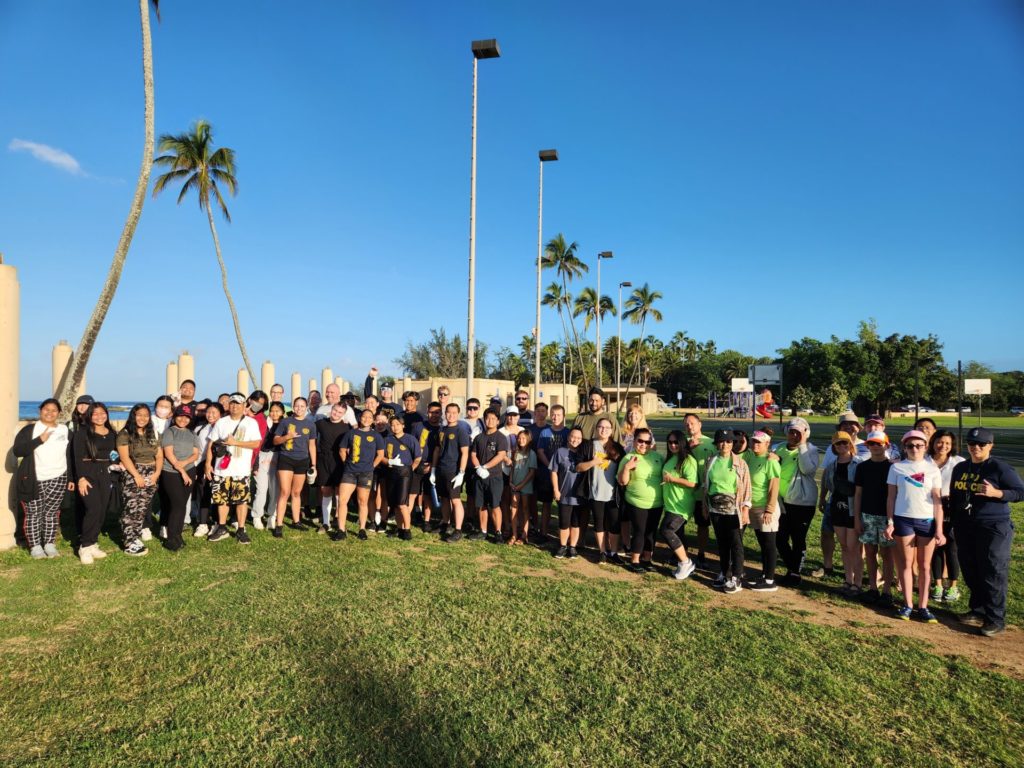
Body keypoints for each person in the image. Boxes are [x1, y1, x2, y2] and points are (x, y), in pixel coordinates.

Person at [949, 426, 1024, 637]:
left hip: (993, 525)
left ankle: (995, 618)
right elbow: (954, 495)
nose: (976, 447)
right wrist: (953, 521)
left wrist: (997, 493)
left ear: (991, 445)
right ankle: (978, 610)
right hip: (965, 525)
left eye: (981, 444)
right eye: (972, 443)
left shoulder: (999, 468)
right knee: (970, 568)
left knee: (992, 570)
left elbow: (1020, 492)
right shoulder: (961, 467)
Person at [887, 430, 945, 623]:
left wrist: (939, 529)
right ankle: (907, 605)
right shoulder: (896, 468)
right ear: (904, 447)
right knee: (905, 564)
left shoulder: (933, 469)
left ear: (925, 447)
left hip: (926, 521)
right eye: (910, 445)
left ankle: (923, 606)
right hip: (903, 520)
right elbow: (891, 497)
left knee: (925, 566)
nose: (914, 449)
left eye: (919, 445)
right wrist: (890, 522)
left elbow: (937, 501)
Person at [14, 398, 69, 559]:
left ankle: (49, 544)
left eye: (54, 410)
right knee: (34, 513)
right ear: (40, 410)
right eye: (46, 409)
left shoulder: (64, 429)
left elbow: (70, 452)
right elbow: (18, 451)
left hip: (59, 476)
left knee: (51, 512)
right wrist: (39, 440)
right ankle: (35, 547)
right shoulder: (30, 429)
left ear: (59, 413)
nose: (50, 413)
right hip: (34, 478)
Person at [203, 393, 262, 544]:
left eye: (238, 403)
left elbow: (256, 443)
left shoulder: (251, 423)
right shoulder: (221, 422)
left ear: (244, 406)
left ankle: (241, 529)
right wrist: (208, 464)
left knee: (241, 501)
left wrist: (236, 443)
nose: (235, 406)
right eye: (232, 403)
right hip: (221, 469)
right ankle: (222, 527)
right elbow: (211, 443)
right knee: (221, 500)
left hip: (241, 469)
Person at [854, 431, 899, 608]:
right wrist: (857, 518)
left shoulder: (893, 468)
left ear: (887, 445)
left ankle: (887, 591)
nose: (875, 447)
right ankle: (873, 588)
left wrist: (892, 520)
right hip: (867, 515)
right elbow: (858, 494)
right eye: (871, 444)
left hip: (886, 517)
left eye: (879, 444)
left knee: (887, 554)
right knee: (870, 553)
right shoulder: (862, 467)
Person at [704, 429, 752, 593]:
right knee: (722, 543)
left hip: (734, 509)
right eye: (721, 441)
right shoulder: (711, 461)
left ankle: (736, 577)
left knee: (735, 543)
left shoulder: (740, 463)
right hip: (715, 508)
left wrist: (745, 509)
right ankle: (725, 573)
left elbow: (747, 487)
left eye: (728, 441)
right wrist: (705, 506)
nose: (724, 444)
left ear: (733, 444)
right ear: (716, 443)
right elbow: (706, 484)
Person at [818, 431, 864, 597]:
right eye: (838, 443)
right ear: (834, 447)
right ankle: (848, 580)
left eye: (845, 442)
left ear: (850, 444)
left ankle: (858, 583)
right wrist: (822, 499)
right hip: (837, 508)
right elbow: (826, 484)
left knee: (854, 547)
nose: (842, 446)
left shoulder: (858, 464)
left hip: (853, 509)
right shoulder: (832, 466)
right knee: (844, 546)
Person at [774, 417, 819, 585]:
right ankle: (792, 568)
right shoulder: (778, 448)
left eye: (798, 432)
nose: (794, 435)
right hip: (782, 501)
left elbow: (807, 469)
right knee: (780, 538)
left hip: (802, 503)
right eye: (791, 432)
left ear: (805, 434)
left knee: (798, 538)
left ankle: (794, 573)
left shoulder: (810, 450)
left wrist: (802, 445)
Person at [72, 402, 117, 564]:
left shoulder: (112, 433)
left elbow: (114, 454)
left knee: (102, 510)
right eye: (95, 414)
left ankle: (92, 542)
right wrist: (81, 478)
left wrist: (118, 464)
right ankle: (84, 546)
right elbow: (77, 457)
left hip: (106, 473)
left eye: (102, 413)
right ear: (89, 416)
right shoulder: (82, 433)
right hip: (88, 473)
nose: (99, 416)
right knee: (93, 508)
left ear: (107, 414)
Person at [116, 403, 164, 556]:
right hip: (133, 471)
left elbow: (159, 456)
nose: (142, 418)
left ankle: (135, 537)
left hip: (151, 472)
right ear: (133, 416)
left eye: (146, 415)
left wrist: (156, 474)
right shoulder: (125, 434)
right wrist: (137, 476)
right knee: (131, 507)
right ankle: (128, 542)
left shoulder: (154, 434)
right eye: (139, 415)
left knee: (142, 508)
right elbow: (124, 457)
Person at [333, 407, 386, 541]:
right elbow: (342, 450)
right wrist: (347, 463)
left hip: (366, 473)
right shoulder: (351, 433)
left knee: (363, 501)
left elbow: (380, 455)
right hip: (349, 472)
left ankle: (362, 529)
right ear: (359, 418)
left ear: (373, 420)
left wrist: (372, 466)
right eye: (364, 417)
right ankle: (341, 530)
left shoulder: (376, 436)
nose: (366, 419)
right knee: (342, 500)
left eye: (369, 417)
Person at [575, 418, 624, 564]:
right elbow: (578, 467)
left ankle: (613, 552)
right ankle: (602, 552)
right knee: (599, 523)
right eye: (601, 427)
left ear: (612, 430)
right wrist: (593, 462)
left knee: (614, 524)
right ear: (596, 429)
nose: (604, 430)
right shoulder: (588, 445)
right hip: (595, 493)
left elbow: (623, 467)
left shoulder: (617, 447)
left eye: (607, 427)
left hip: (613, 494)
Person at [617, 426, 664, 573]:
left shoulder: (658, 457)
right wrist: (627, 468)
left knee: (651, 532)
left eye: (647, 442)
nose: (644, 444)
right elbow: (622, 481)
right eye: (640, 441)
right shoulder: (628, 458)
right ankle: (635, 560)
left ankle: (647, 559)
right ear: (634, 441)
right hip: (636, 502)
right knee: (640, 531)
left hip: (656, 503)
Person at [272, 397, 318, 535]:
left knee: (297, 492)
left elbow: (312, 446)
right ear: (293, 407)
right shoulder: (285, 422)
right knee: (284, 492)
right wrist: (287, 437)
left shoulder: (310, 424)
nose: (299, 408)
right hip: (286, 459)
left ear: (306, 407)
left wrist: (313, 464)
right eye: (297, 406)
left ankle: (296, 521)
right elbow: (275, 441)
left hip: (302, 461)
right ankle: (279, 525)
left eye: (302, 406)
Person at [928, 430, 964, 603]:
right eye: (939, 442)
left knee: (951, 548)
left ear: (952, 445)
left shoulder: (959, 462)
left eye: (947, 443)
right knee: (935, 548)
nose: (943, 446)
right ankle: (938, 584)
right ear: (933, 443)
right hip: (929, 509)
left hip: (952, 510)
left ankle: (953, 586)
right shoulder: (925, 461)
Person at [159, 405, 201, 551]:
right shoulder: (169, 432)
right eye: (180, 416)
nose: (183, 419)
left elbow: (195, 454)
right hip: (171, 471)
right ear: (175, 416)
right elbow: (168, 453)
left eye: (187, 417)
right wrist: (181, 470)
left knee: (182, 504)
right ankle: (171, 538)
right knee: (177, 504)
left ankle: (178, 535)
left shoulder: (192, 434)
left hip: (189, 470)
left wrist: (185, 464)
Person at [743, 430, 781, 591]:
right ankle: (764, 575)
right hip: (753, 507)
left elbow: (774, 487)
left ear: (767, 444)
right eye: (753, 441)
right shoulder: (751, 457)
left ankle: (770, 580)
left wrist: (769, 510)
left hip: (765, 508)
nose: (755, 444)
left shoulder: (770, 461)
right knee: (762, 543)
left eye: (759, 442)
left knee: (769, 544)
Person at [657, 429, 697, 580]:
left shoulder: (688, 460)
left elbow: (692, 483)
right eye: (670, 442)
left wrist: (673, 479)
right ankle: (681, 562)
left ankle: (686, 562)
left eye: (676, 442)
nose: (673, 445)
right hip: (670, 503)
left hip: (681, 505)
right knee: (677, 533)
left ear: (682, 443)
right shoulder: (671, 458)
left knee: (666, 530)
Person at [682, 413, 716, 570]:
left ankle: (701, 554)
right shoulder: (682, 442)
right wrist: (687, 448)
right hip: (684, 492)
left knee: (702, 524)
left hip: (702, 493)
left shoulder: (711, 443)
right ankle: (680, 551)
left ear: (700, 424)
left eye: (692, 423)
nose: (689, 426)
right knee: (679, 523)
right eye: (686, 424)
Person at [432, 402, 470, 542]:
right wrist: (433, 469)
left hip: (453, 470)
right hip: (441, 469)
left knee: (455, 500)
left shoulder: (461, 431)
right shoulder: (442, 430)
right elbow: (437, 450)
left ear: (458, 414)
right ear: (445, 413)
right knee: (444, 498)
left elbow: (465, 453)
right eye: (448, 412)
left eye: (454, 412)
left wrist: (461, 473)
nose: (451, 415)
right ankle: (445, 523)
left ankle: (458, 530)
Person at [470, 409, 507, 542]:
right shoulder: (479, 437)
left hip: (494, 477)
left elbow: (501, 455)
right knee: (481, 505)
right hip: (480, 476)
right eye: (487, 418)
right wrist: (478, 468)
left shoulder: (500, 437)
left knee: (495, 505)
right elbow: (473, 454)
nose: (490, 421)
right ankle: (483, 531)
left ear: (497, 421)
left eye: (493, 418)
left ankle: (498, 532)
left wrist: (485, 467)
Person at [550, 426, 586, 559]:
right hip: (564, 494)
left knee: (575, 523)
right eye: (573, 436)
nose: (575, 440)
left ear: (582, 439)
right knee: (564, 522)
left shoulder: (584, 454)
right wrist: (556, 489)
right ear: (568, 437)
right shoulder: (560, 452)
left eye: (578, 438)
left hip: (579, 495)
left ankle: (573, 547)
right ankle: (563, 546)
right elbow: (554, 472)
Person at [534, 404, 569, 539]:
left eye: (558, 415)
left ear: (564, 416)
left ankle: (563, 535)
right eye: (553, 414)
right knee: (546, 503)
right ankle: (543, 532)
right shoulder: (545, 432)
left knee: (564, 506)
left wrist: (559, 468)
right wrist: (551, 466)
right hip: (547, 472)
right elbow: (540, 451)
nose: (555, 417)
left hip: (564, 475)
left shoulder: (567, 432)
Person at [383, 415, 421, 540]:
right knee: (394, 504)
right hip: (391, 472)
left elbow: (417, 457)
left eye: (397, 424)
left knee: (402, 503)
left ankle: (407, 529)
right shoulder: (387, 439)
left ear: (403, 425)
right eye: (392, 425)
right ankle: (399, 529)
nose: (395, 427)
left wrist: (411, 469)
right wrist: (389, 461)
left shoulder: (410, 439)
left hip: (405, 473)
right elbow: (381, 456)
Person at [315, 403, 350, 534]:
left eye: (340, 412)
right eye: (335, 410)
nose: (336, 413)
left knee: (340, 492)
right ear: (331, 409)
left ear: (344, 414)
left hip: (340, 461)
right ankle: (325, 523)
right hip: (323, 460)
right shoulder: (320, 423)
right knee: (326, 491)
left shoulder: (347, 427)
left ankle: (338, 520)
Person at [192, 401, 222, 537]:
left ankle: (217, 522)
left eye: (214, 412)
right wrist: (196, 466)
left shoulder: (225, 427)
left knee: (218, 494)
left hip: (221, 465)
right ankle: (202, 523)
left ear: (221, 414)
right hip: (202, 464)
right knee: (203, 493)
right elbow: (197, 450)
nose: (210, 415)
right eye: (208, 412)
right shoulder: (201, 428)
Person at [253, 401, 283, 530]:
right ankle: (257, 516)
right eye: (272, 411)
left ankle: (272, 515)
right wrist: (255, 464)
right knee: (261, 489)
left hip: (277, 457)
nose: (274, 413)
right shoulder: (264, 423)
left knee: (275, 489)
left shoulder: (285, 424)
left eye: (277, 411)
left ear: (282, 412)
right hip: (262, 456)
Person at [508, 429, 537, 545]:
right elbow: (512, 468)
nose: (521, 440)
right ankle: (514, 534)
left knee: (525, 509)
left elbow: (531, 472)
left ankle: (524, 535)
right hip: (514, 486)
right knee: (513, 509)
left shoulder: (531, 454)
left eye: (524, 438)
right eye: (519, 438)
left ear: (529, 440)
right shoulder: (515, 452)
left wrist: (521, 485)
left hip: (525, 487)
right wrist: (510, 481)